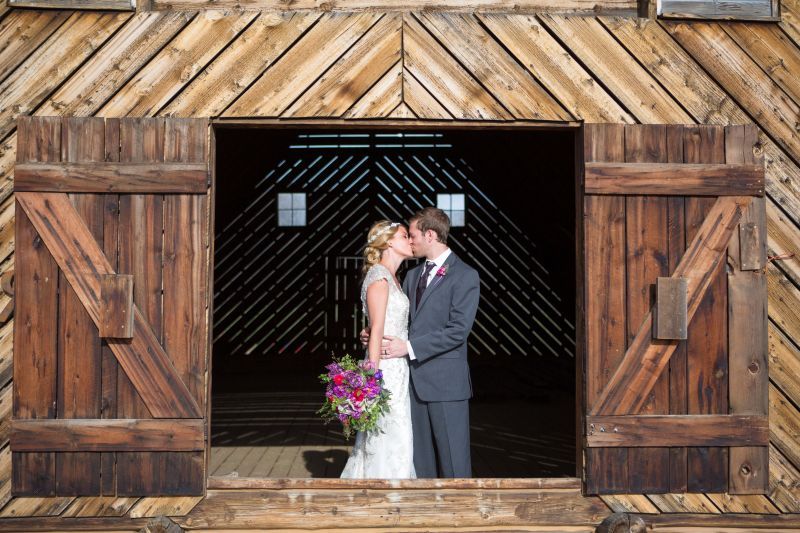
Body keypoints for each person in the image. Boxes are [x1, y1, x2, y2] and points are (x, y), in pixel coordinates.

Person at [362, 207, 480, 478]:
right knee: (420, 464)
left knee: (454, 465)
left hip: (446, 385)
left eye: (412, 234)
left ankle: (459, 516)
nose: (410, 240)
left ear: (430, 235)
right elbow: (402, 322)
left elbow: (458, 331)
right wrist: (373, 334)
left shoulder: (465, 276)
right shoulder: (412, 276)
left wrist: (409, 347)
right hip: (410, 386)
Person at [340, 220, 416, 479]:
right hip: (386, 369)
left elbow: (377, 329)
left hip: (399, 366)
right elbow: (378, 328)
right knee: (390, 433)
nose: (410, 240)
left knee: (397, 433)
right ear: (389, 243)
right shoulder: (380, 278)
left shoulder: (395, 278)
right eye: (405, 235)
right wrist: (370, 378)